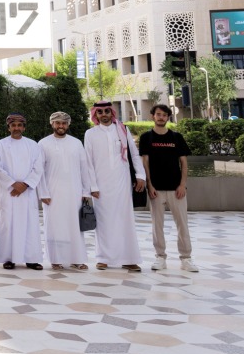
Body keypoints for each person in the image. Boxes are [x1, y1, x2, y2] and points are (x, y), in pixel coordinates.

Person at [84, 101, 145, 272]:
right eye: (100, 112)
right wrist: (93, 186)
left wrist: (140, 176)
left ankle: (129, 258)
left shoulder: (123, 129)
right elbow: (88, 161)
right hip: (101, 185)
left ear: (112, 113)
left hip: (122, 182)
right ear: (95, 114)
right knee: (103, 221)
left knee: (125, 219)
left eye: (107, 111)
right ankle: (103, 258)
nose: (104, 114)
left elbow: (134, 153)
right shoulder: (90, 133)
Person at [139, 104, 198, 272]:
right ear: (153, 116)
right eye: (158, 114)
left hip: (176, 189)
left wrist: (182, 185)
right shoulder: (146, 138)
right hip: (156, 189)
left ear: (168, 118)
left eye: (164, 115)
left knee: (182, 224)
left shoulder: (176, 137)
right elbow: (145, 163)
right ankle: (160, 257)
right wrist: (149, 185)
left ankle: (186, 258)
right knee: (157, 225)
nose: (161, 117)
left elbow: (184, 164)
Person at [38, 111, 94, 270]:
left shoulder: (76, 143)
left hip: (74, 192)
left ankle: (77, 259)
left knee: (74, 226)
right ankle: (55, 259)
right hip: (52, 193)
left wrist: (85, 192)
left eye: (63, 123)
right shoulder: (42, 143)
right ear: (52, 124)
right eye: (57, 123)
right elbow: (39, 171)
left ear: (68, 125)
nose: (60, 126)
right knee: (54, 226)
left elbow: (84, 169)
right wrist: (43, 193)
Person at [0, 112, 45, 270]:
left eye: (19, 125)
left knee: (30, 225)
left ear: (24, 127)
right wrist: (13, 184)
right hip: (9, 193)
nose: (16, 128)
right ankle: (9, 258)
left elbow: (38, 168)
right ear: (9, 127)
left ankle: (31, 259)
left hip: (27, 193)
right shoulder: (0, 145)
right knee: (8, 224)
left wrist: (25, 185)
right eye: (13, 125)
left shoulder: (33, 145)